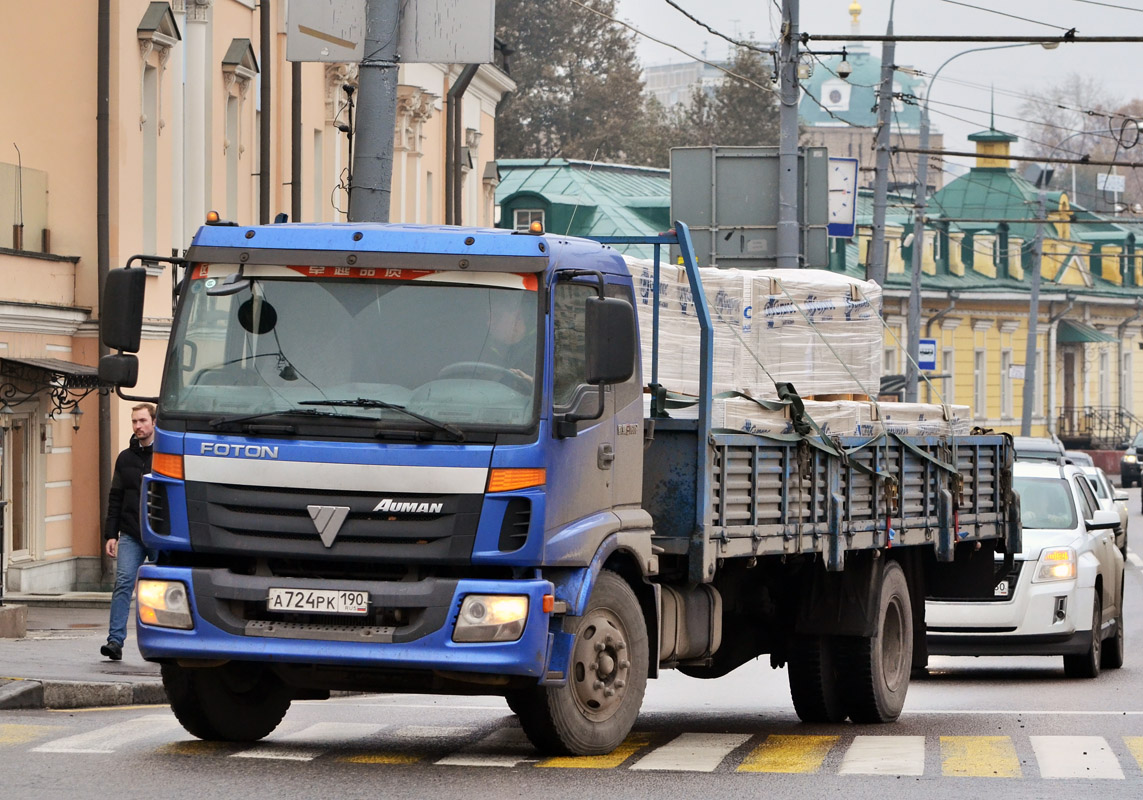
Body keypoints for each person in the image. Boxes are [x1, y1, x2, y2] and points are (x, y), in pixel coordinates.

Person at [100, 403, 156, 661]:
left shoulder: (167, 454)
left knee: (160, 588)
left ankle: (160, 639)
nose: (138, 426)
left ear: (154, 422)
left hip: (160, 534)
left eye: (143, 420)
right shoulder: (125, 458)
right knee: (123, 583)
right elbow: (115, 497)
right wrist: (111, 534)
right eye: (134, 421)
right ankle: (115, 641)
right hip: (131, 534)